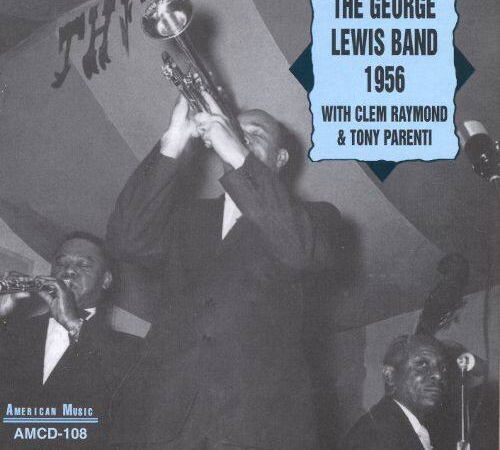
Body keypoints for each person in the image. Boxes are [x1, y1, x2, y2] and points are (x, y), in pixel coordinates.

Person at [106, 93, 341, 449]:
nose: (240, 136)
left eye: (255, 133)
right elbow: (126, 241)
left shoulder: (316, 217)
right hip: (165, 424)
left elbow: (300, 253)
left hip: (259, 427)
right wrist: (173, 141)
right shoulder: (189, 217)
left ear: (280, 158)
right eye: (235, 130)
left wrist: (237, 153)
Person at [0, 232, 144, 449]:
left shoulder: (130, 350)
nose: (68, 271)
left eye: (83, 265)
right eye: (61, 263)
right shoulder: (15, 332)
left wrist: (74, 324)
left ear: (106, 280)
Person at [342, 334, 448, 450]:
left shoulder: (408, 429)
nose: (438, 375)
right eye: (422, 364)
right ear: (389, 376)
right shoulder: (372, 435)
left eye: (442, 367)